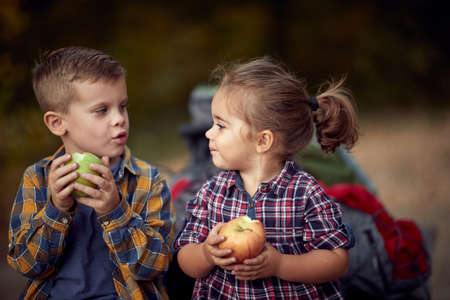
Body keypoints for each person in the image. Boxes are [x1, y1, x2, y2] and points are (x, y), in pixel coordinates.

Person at [173, 57, 358, 299]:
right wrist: (207, 254)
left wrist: (280, 265)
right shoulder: (210, 192)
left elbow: (336, 260)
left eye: (221, 125)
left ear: (262, 141)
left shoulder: (305, 193)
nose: (208, 132)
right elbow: (184, 258)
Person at [7, 46, 175, 300]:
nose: (119, 119)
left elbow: (155, 266)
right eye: (102, 110)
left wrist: (114, 211)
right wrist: (56, 208)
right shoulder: (39, 177)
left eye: (123, 106)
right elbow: (26, 265)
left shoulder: (147, 178)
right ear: (57, 123)